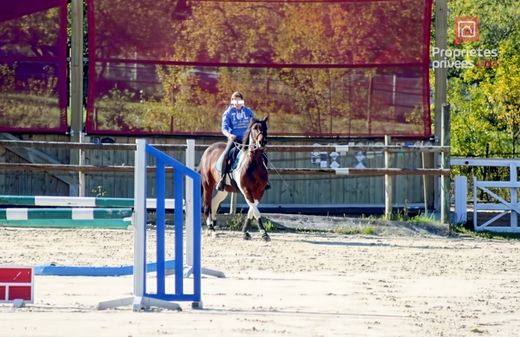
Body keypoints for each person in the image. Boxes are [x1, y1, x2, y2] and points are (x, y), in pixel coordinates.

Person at [217, 91, 270, 191]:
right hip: (235, 139)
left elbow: (255, 124)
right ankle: (222, 179)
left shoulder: (248, 111)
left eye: (239, 100)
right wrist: (229, 135)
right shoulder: (228, 113)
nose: (237, 102)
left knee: (263, 154)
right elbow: (224, 128)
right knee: (226, 155)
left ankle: (265, 180)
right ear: (232, 101)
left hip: (248, 140)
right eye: (235, 100)